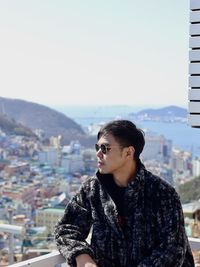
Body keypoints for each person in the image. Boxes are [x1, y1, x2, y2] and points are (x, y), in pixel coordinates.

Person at [54, 119, 195, 267]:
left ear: (128, 152)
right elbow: (66, 228)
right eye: (98, 147)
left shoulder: (163, 194)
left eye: (105, 148)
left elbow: (172, 250)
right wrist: (83, 257)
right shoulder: (92, 189)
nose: (98, 153)